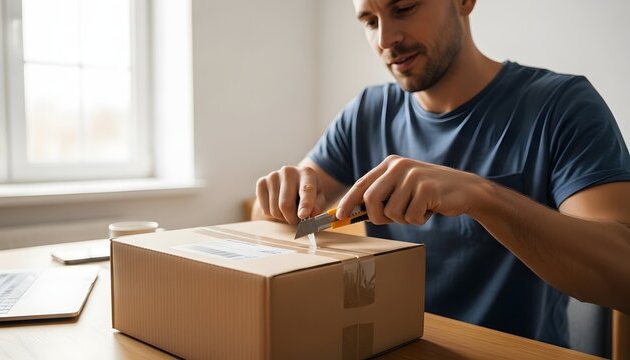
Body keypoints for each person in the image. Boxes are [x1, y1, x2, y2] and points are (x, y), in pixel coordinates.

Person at [252, 0, 630, 348]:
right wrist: (278, 200)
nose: (385, 39)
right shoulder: (366, 112)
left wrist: (482, 196)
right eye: (369, 20)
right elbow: (269, 219)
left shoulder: (561, 106)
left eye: (403, 7)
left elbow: (622, 276)